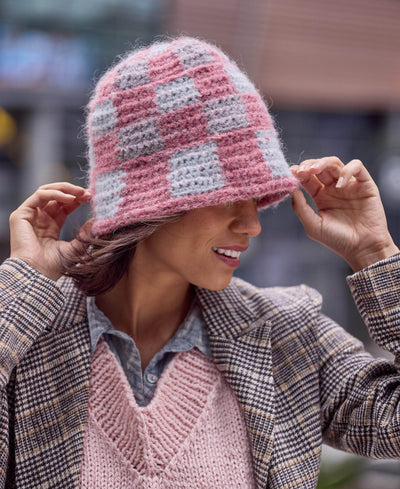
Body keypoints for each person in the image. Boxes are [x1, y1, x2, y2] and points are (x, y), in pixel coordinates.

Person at [1, 36, 400, 489]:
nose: (251, 224)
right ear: (150, 201)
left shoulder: (288, 336)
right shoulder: (26, 336)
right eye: (228, 196)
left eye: (255, 197)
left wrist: (375, 254)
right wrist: (22, 287)